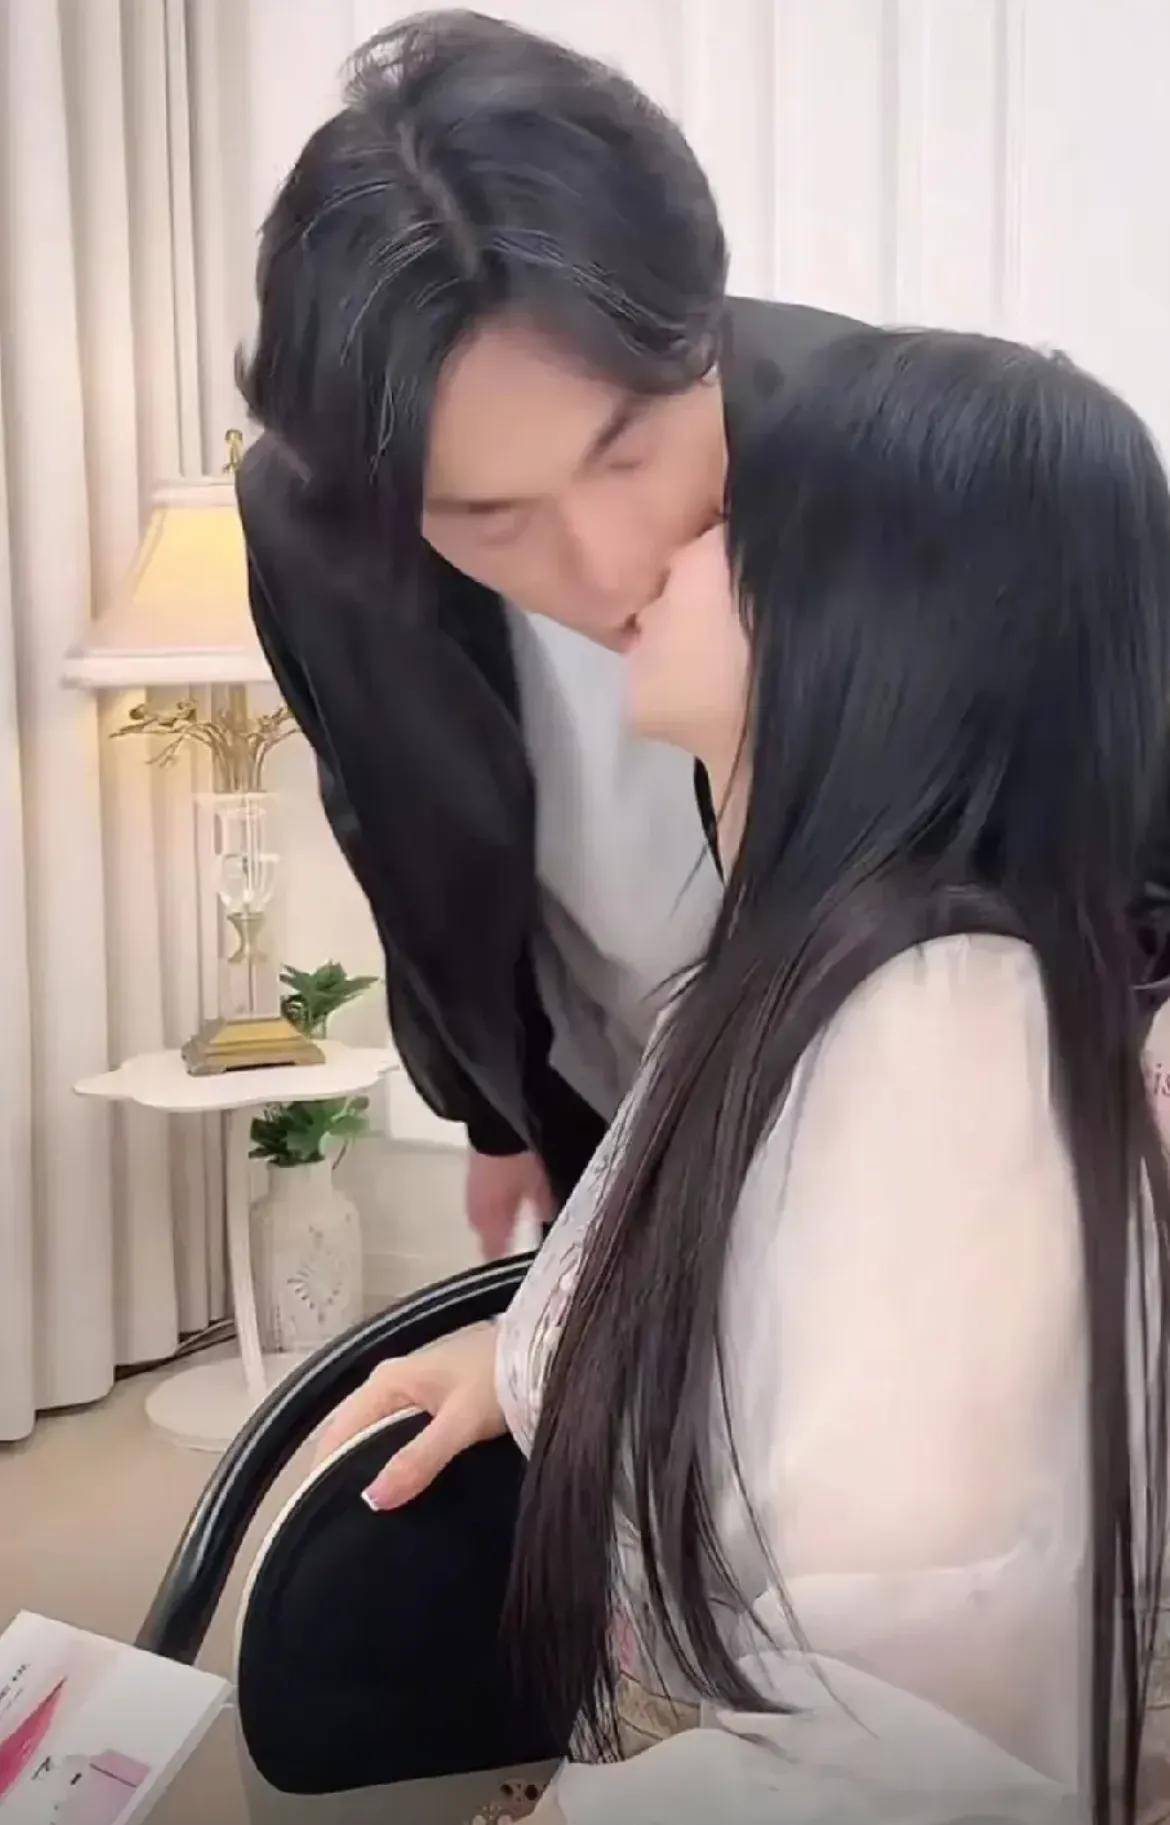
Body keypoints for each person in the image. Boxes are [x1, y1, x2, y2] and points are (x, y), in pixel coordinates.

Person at [320, 327, 1170, 1822]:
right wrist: (531, 1358)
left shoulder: (932, 1049)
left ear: (881, 610)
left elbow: (890, 1756)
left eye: (726, 519)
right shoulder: (801, 968)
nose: (639, 552)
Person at [235, 9, 857, 1256]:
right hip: (602, 1110)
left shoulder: (902, 453)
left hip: (890, 1149)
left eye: (628, 451)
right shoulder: (314, 529)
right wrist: (493, 1116)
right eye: (493, 518)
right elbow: (394, 824)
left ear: (704, 337)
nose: (608, 568)